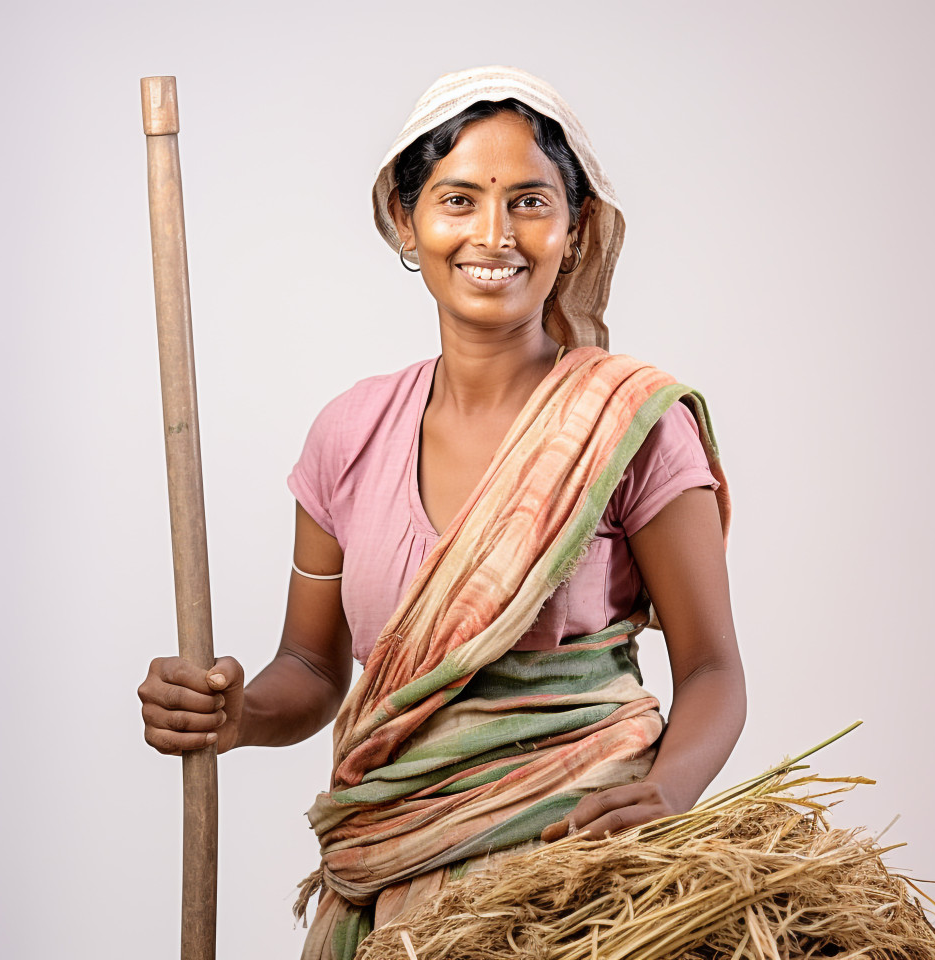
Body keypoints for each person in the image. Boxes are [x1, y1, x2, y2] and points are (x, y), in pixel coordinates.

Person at [137, 66, 746, 959]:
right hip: (390, 906)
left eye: (530, 202)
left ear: (573, 233)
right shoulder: (349, 434)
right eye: (458, 199)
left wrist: (672, 787)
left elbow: (714, 669)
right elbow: (311, 665)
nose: (493, 234)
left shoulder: (628, 427)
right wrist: (234, 717)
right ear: (405, 221)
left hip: (578, 894)